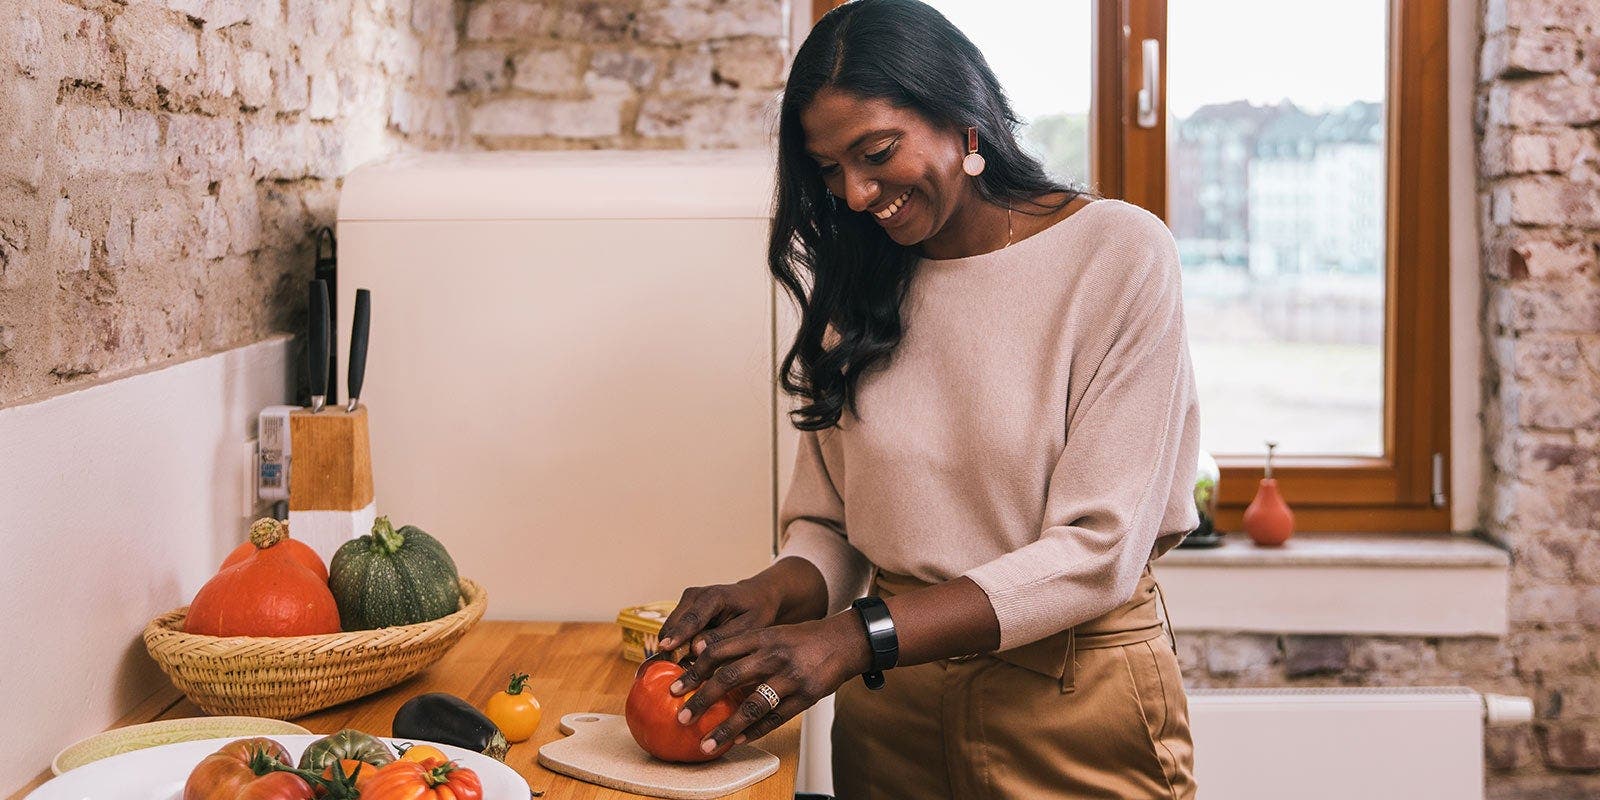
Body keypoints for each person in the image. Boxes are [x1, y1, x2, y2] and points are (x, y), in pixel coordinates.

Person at [653, 1, 1201, 796]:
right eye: (830, 171)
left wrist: (852, 638)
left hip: (1074, 697)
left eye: (876, 153)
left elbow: (1099, 551)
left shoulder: (1117, 254)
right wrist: (766, 594)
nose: (858, 192)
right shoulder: (864, 283)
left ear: (962, 114)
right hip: (891, 710)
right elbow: (833, 523)